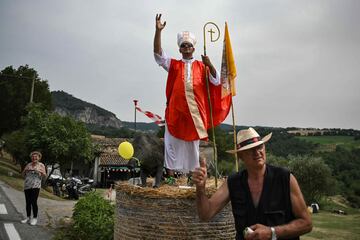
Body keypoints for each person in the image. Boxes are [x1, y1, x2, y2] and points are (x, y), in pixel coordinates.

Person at [193, 128, 312, 240]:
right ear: (240, 156)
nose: (257, 152)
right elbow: (205, 214)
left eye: (260, 146)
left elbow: (306, 223)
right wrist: (200, 188)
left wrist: (272, 232)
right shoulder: (233, 182)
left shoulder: (285, 178)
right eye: (250, 149)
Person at [153, 14, 226, 179]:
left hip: (195, 114)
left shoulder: (202, 66)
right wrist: (158, 32)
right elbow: (158, 54)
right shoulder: (174, 65)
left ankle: (196, 180)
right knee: (170, 146)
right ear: (180, 48)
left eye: (189, 45)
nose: (186, 47)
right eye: (183, 45)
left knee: (193, 148)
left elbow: (216, 81)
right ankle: (170, 180)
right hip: (175, 113)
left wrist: (210, 65)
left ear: (193, 48)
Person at [21, 151, 47, 226]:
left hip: (36, 186)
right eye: (33, 156)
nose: (34, 158)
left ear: (39, 158)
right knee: (28, 203)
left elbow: (44, 175)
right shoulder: (28, 164)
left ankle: (35, 218)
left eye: (36, 157)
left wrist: (38, 171)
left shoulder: (41, 165)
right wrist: (25, 170)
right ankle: (28, 217)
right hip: (27, 186)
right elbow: (23, 174)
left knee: (33, 202)